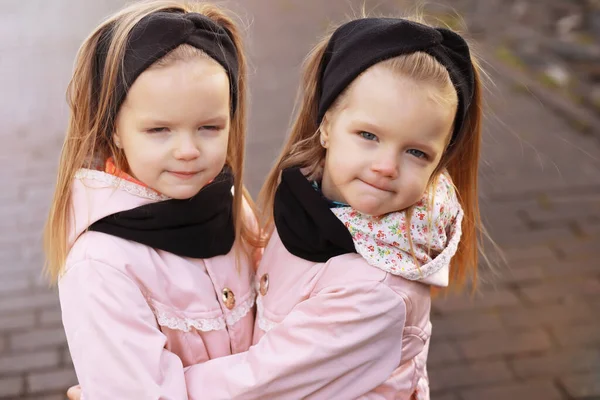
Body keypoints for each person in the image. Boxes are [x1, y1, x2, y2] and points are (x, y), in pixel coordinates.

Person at [182, 16, 485, 399]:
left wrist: (138, 390)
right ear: (326, 125)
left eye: (416, 152)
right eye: (368, 135)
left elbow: (262, 381)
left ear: (439, 163)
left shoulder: (378, 291)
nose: (386, 166)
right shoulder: (306, 198)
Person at [44, 1, 260, 398]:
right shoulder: (103, 264)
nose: (188, 150)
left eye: (209, 127)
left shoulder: (232, 204)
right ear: (114, 131)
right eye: (159, 129)